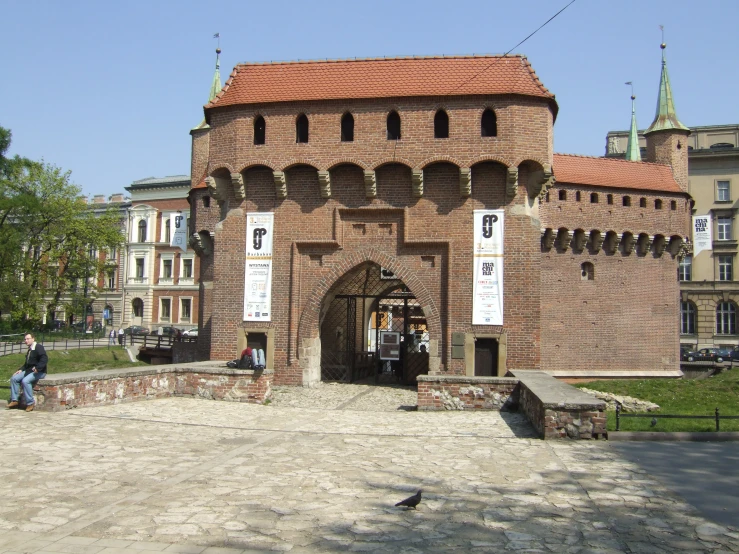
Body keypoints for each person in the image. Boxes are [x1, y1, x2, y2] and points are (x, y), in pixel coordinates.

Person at [8, 333, 48, 412]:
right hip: (28, 370)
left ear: (33, 339)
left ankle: (30, 403)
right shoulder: (30, 349)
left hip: (39, 372)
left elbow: (44, 359)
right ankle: (14, 400)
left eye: (28, 339)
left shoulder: (38, 347)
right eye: (25, 339)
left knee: (25, 381)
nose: (26, 341)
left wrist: (38, 368)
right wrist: (21, 369)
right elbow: (27, 364)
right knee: (14, 379)